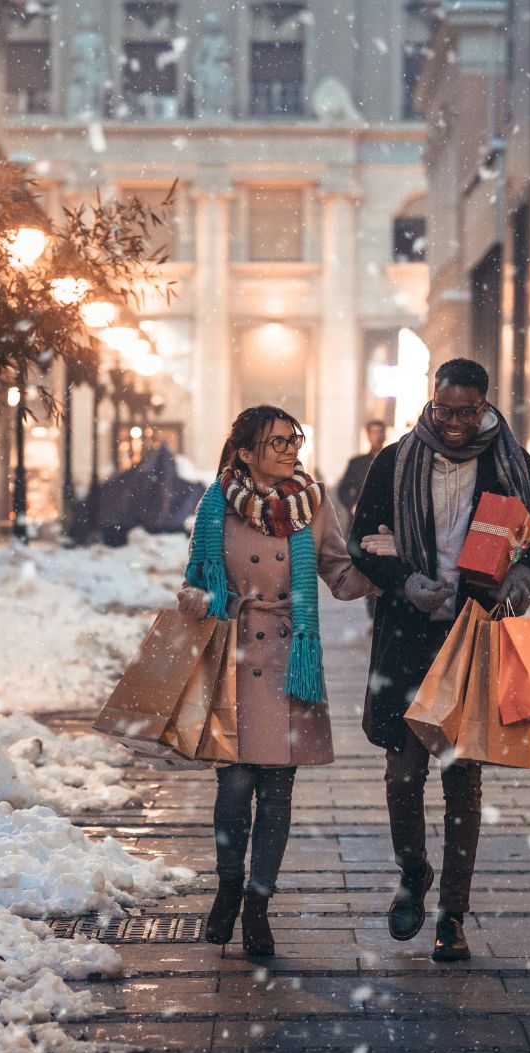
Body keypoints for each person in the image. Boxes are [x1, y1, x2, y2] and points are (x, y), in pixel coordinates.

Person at [349, 358, 530, 962]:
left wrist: (525, 569)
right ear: (431, 401)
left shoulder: (510, 463)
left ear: (486, 404)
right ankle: (414, 874)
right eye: (446, 411)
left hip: (474, 637)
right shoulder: (396, 459)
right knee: (403, 774)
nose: (457, 423)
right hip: (408, 641)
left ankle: (453, 917)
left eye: (468, 411)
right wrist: (404, 580)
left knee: (462, 781)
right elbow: (365, 540)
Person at [178, 406, 375, 956]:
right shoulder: (216, 503)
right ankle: (227, 889)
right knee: (235, 785)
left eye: (294, 440)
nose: (290, 449)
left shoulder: (311, 504)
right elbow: (196, 579)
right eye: (277, 442)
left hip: (292, 657)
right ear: (245, 452)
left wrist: (381, 567)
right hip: (237, 653)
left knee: (278, 791)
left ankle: (258, 907)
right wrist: (205, 598)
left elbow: (338, 572)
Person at [337, 419, 388, 522]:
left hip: (386, 519)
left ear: (385, 436)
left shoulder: (393, 460)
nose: (378, 436)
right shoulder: (357, 463)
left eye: (380, 432)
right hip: (361, 520)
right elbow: (343, 489)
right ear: (368, 435)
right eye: (374, 433)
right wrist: (352, 507)